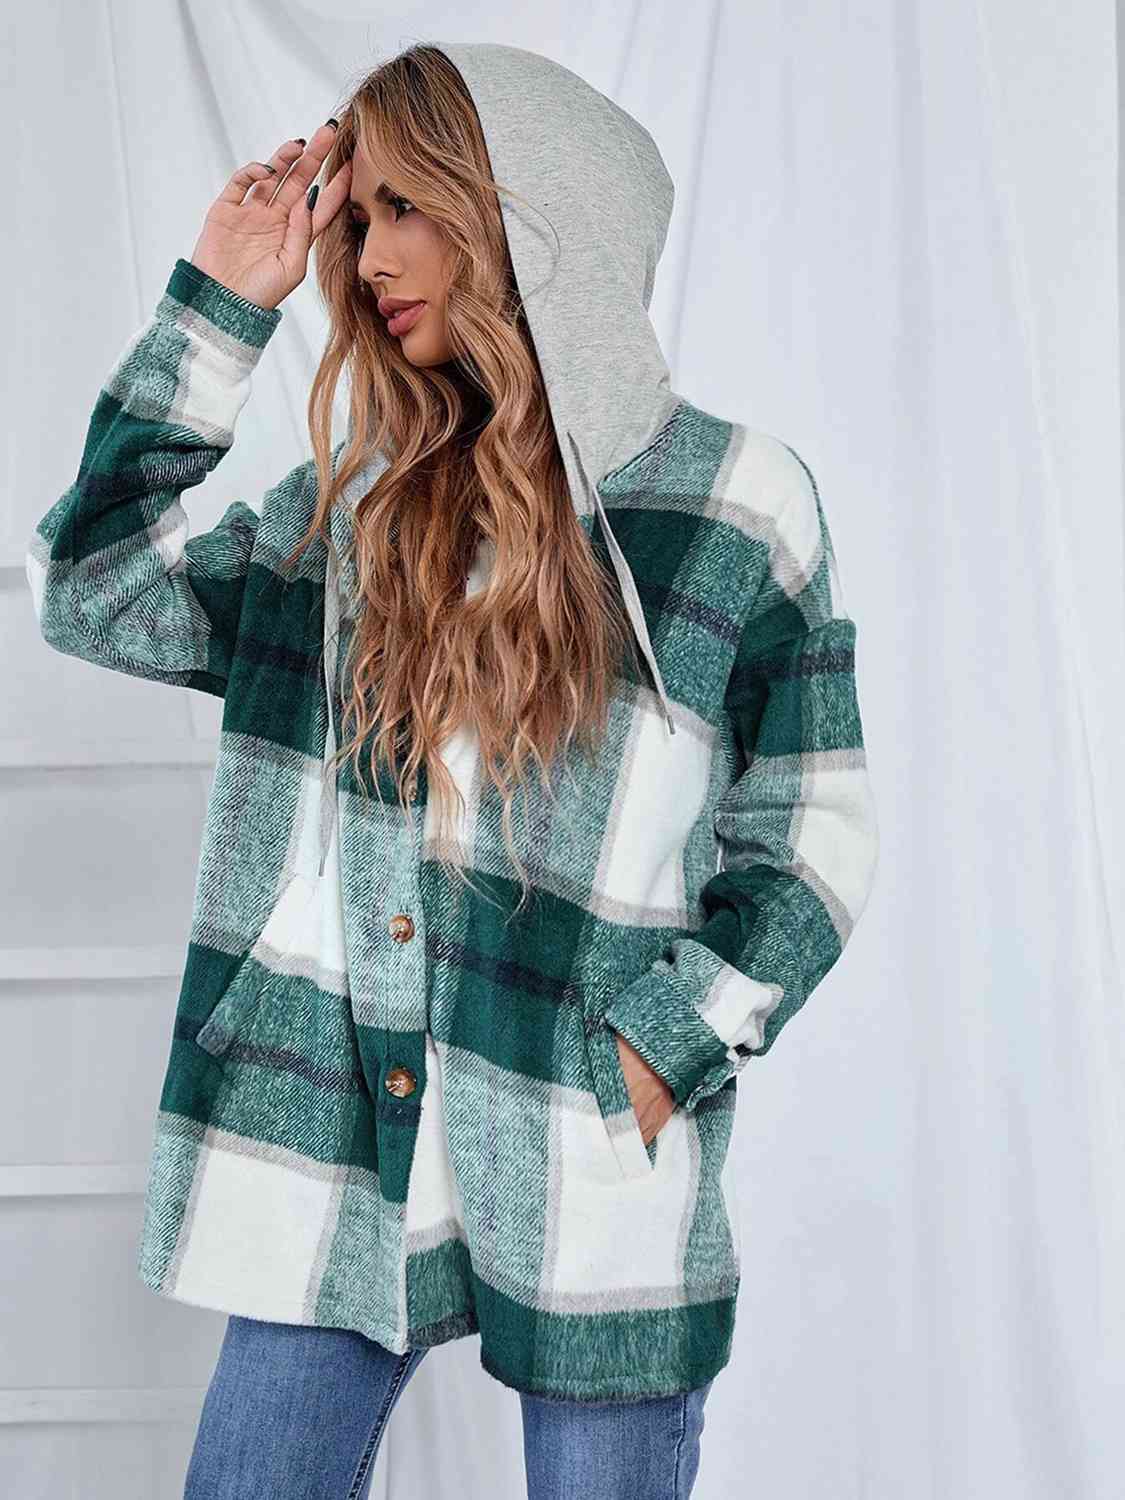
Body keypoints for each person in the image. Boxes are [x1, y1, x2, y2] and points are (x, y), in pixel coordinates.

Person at [25, 40, 879, 1500]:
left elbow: (813, 835)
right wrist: (220, 304)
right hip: (334, 1131)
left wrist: (658, 1055)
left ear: (528, 211)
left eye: (410, 207)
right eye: (360, 217)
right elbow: (96, 591)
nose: (370, 258)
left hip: (588, 1148)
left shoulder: (736, 505)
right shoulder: (355, 511)